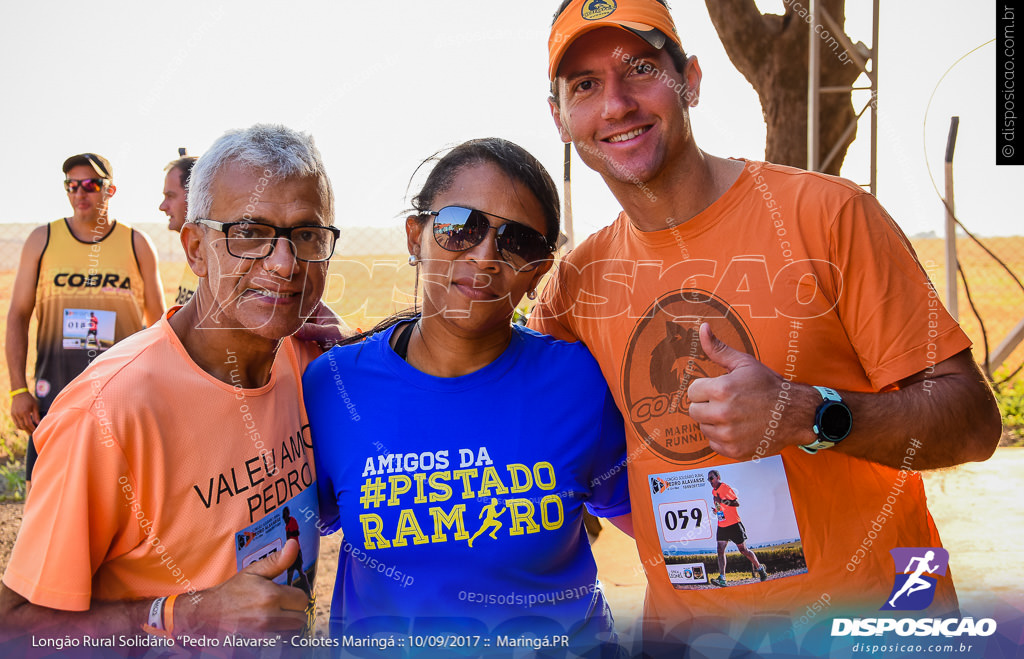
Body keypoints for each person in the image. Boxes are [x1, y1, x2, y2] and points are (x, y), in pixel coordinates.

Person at [529, 0, 1001, 649]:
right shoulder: (579, 283)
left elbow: (974, 422)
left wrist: (810, 412)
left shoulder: (829, 216)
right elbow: (495, 385)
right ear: (559, 117)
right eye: (584, 84)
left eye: (641, 68)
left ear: (690, 79)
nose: (617, 102)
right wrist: (347, 347)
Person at [0, 124, 341, 643]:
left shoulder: (307, 360)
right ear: (195, 248)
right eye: (248, 232)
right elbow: (15, 630)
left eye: (307, 235)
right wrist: (189, 616)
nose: (284, 263)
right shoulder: (107, 413)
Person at [302, 138, 632, 654]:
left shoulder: (578, 383)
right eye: (462, 226)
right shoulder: (333, 387)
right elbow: (281, 535)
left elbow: (663, 525)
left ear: (539, 271)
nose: (484, 257)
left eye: (518, 242)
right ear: (416, 236)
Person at [6, 153, 165, 496]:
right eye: (72, 185)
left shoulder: (137, 244)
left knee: (115, 502)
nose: (80, 193)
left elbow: (159, 327)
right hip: (56, 397)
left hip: (121, 398)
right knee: (43, 497)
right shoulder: (42, 240)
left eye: (91, 185)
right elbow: (18, 315)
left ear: (111, 190)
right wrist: (19, 390)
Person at [707, 470, 766, 587]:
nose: (710, 481)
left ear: (718, 477)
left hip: (734, 524)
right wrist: (717, 510)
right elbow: (721, 506)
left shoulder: (725, 488)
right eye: (708, 479)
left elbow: (736, 503)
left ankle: (760, 569)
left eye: (711, 478)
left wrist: (722, 501)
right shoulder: (713, 491)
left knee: (743, 550)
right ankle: (722, 578)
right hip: (722, 525)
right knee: (720, 550)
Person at [159, 151, 200, 304]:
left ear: (194, 197)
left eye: (170, 196)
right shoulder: (197, 250)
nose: (162, 207)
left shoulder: (217, 261)